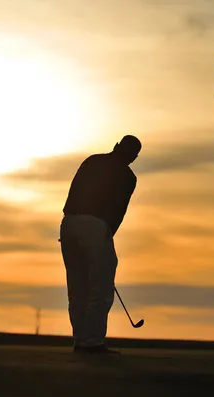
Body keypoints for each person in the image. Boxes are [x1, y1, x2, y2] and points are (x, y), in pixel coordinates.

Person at [60, 135, 141, 354]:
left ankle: (81, 340)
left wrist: (72, 230)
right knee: (101, 288)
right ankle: (92, 342)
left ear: (116, 146)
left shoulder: (92, 160)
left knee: (77, 287)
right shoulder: (127, 175)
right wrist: (104, 235)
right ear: (133, 157)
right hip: (95, 226)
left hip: (68, 223)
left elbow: (73, 193)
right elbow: (118, 211)